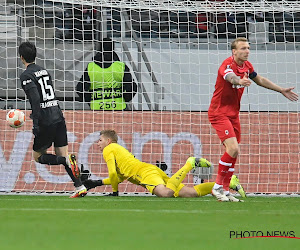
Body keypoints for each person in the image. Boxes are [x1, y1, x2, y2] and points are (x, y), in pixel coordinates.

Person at [208, 37, 298, 202]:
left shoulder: (247, 66)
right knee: (233, 148)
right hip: (218, 112)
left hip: (233, 114)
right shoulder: (227, 65)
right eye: (243, 48)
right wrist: (238, 80)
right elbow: (230, 77)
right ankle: (217, 187)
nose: (247, 51)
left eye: (248, 48)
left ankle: (226, 190)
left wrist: (281, 90)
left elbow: (260, 80)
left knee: (234, 152)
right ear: (234, 51)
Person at [80, 130, 244, 200]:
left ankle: (189, 164)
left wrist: (114, 193)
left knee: (165, 194)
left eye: (100, 140)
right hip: (149, 170)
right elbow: (118, 177)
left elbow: (114, 176)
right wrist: (97, 183)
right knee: (189, 193)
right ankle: (229, 182)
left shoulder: (108, 149)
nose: (97, 143)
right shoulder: (118, 151)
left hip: (146, 174)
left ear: (108, 141)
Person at [18, 42, 87, 198]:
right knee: (64, 153)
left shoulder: (26, 76)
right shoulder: (44, 70)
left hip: (46, 120)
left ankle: (66, 161)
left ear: (21, 57)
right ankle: (80, 186)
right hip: (57, 115)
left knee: (38, 156)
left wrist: (35, 123)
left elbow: (36, 101)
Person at [76, 38, 137, 110]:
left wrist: (90, 100)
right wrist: (125, 99)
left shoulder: (91, 67)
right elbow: (132, 87)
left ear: (99, 49)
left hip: (97, 108)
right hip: (118, 108)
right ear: (113, 48)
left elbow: (80, 89)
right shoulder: (120, 66)